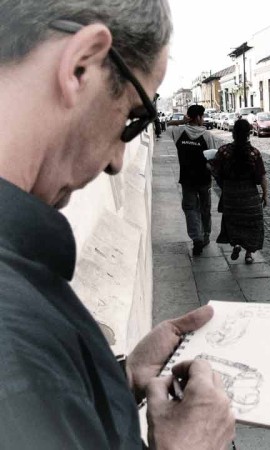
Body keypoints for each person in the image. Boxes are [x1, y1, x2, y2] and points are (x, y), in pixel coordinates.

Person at [0, 1, 235, 449]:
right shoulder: (16, 350)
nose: (115, 161)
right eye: (133, 117)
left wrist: (116, 378)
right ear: (81, 64)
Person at [213, 119, 268, 264]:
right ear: (249, 134)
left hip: (231, 197)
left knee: (233, 223)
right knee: (252, 225)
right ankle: (249, 254)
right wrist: (265, 195)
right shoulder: (254, 153)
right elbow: (261, 176)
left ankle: (236, 244)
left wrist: (224, 185)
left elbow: (216, 172)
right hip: (250, 197)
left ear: (233, 133)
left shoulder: (224, 151)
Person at [167, 104, 216, 256]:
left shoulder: (179, 131)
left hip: (187, 179)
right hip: (204, 179)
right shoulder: (207, 136)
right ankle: (206, 235)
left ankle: (196, 238)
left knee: (190, 209)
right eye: (203, 116)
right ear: (199, 117)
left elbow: (166, 125)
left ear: (189, 117)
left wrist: (182, 121)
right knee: (205, 208)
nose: (204, 119)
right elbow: (213, 159)